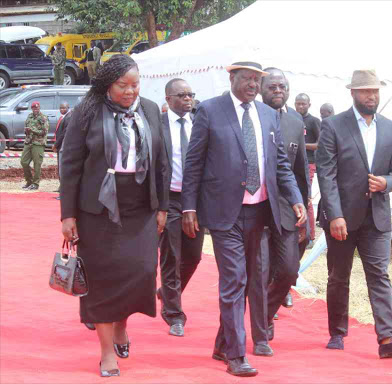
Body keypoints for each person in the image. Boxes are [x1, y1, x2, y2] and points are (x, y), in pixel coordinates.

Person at [182, 61, 306, 377]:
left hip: (259, 210)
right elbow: (193, 163)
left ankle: (223, 344)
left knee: (250, 278)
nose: (253, 85)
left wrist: (295, 199)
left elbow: (280, 164)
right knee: (235, 279)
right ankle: (236, 355)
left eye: (257, 80)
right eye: (248, 79)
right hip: (224, 212)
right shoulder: (210, 110)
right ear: (232, 78)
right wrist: (188, 207)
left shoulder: (267, 115)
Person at [60, 54, 169, 377]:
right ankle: (107, 352)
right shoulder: (87, 112)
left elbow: (162, 162)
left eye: (135, 85)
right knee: (102, 280)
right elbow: (70, 167)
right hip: (97, 209)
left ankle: (122, 325)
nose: (130, 91)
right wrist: (68, 215)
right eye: (123, 85)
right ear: (108, 84)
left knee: (141, 271)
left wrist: (162, 205)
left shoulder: (150, 109)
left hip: (141, 207)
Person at [316, 69, 392, 358]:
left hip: (377, 216)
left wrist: (387, 183)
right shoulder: (333, 126)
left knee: (379, 275)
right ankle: (337, 332)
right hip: (342, 218)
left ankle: (387, 339)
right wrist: (335, 215)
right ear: (353, 93)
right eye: (365, 91)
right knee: (338, 276)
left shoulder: (391, 128)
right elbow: (326, 173)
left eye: (375, 91)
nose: (372, 96)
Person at [258, 68, 309, 346]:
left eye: (282, 86)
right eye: (272, 86)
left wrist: (304, 204)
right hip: (254, 207)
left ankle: (265, 313)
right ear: (261, 88)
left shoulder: (294, 120)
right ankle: (260, 324)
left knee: (289, 270)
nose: (278, 90)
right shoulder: (251, 116)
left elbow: (299, 167)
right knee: (261, 271)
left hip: (286, 209)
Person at [157, 78, 205, 337]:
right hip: (169, 200)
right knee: (171, 257)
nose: (188, 99)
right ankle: (174, 314)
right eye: (182, 95)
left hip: (196, 201)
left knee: (193, 256)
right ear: (168, 99)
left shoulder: (200, 123)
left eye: (191, 94)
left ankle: (166, 292)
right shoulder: (159, 126)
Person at [295, 93, 321, 253]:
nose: (300, 107)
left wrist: (301, 145)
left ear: (309, 105)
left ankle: (310, 236)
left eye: (303, 104)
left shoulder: (314, 121)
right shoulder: (292, 118)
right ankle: (298, 232)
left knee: (307, 198)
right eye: (298, 104)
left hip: (309, 163)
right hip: (293, 163)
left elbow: (320, 144)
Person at [20, 101, 49, 191]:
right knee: (23, 162)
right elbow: (26, 126)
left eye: (37, 108)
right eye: (34, 108)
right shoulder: (30, 116)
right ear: (32, 108)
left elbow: (44, 132)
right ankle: (29, 181)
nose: (36, 109)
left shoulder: (43, 118)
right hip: (29, 142)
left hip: (38, 143)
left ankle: (35, 184)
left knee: (37, 164)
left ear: (39, 108)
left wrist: (32, 130)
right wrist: (27, 131)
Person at [52, 101, 70, 198]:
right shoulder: (63, 117)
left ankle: (63, 192)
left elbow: (64, 133)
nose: (62, 109)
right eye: (60, 108)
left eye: (64, 108)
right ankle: (61, 187)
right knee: (59, 168)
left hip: (64, 146)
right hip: (60, 146)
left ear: (68, 107)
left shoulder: (69, 117)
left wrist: (56, 144)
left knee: (62, 169)